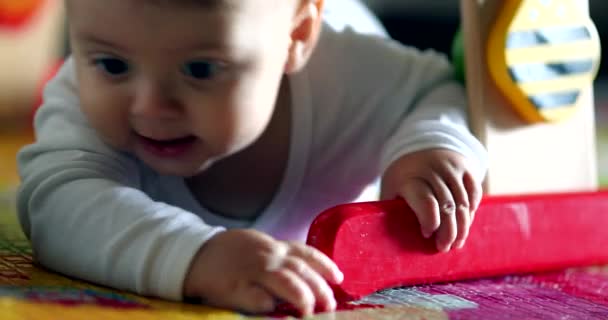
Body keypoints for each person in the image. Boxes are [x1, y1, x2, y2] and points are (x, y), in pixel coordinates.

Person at [17, 0, 488, 316]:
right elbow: (58, 206)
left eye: (200, 69)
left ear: (297, 35)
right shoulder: (81, 87)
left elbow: (437, 87)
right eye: (113, 65)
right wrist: (197, 256)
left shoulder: (352, 73)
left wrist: (429, 145)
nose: (150, 107)